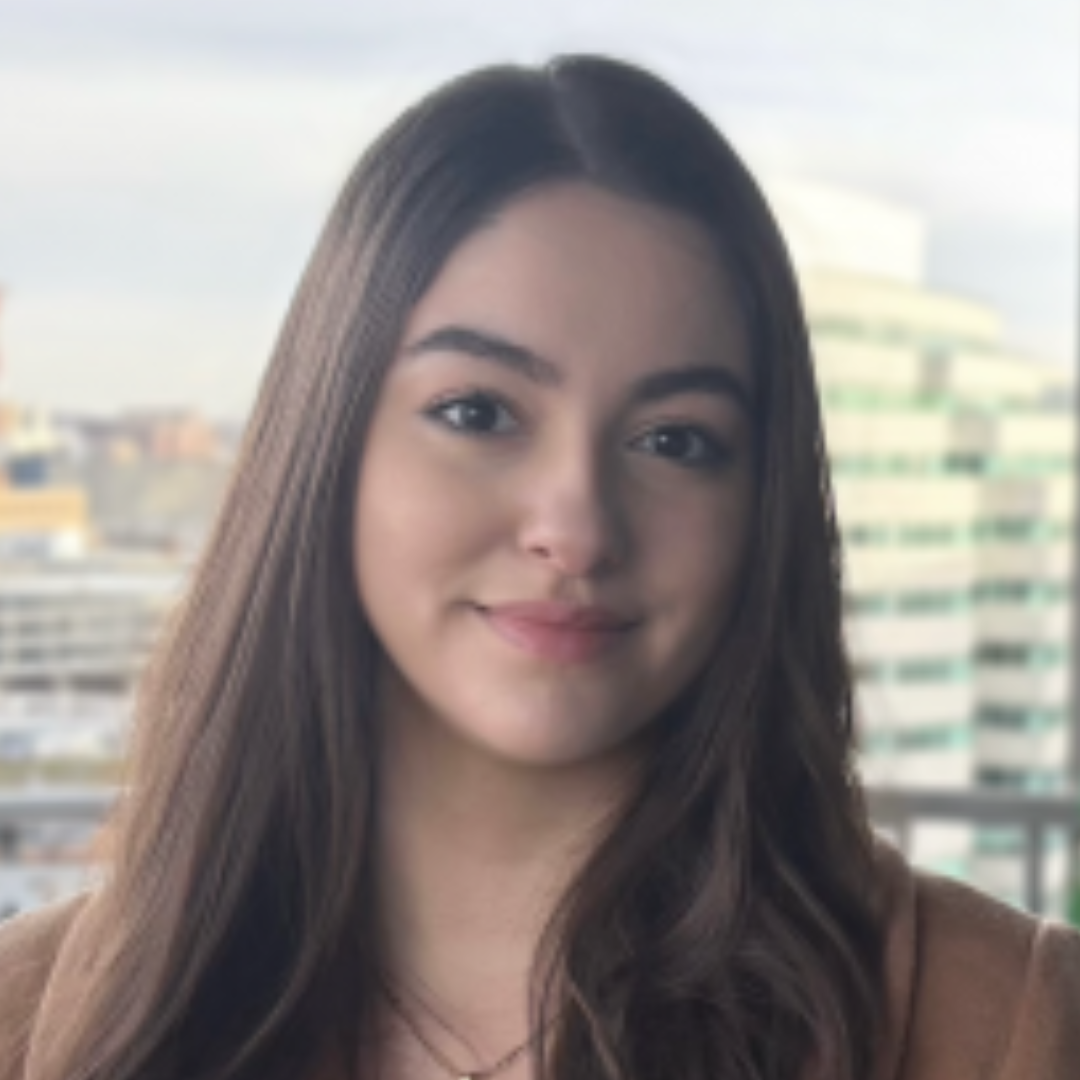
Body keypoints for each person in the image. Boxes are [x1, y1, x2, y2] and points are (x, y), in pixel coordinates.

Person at [1, 54, 1078, 1080]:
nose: (576, 526)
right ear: (327, 445)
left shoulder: (1013, 1026)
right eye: (479, 412)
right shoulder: (27, 1017)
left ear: (765, 510)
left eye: (676, 439)